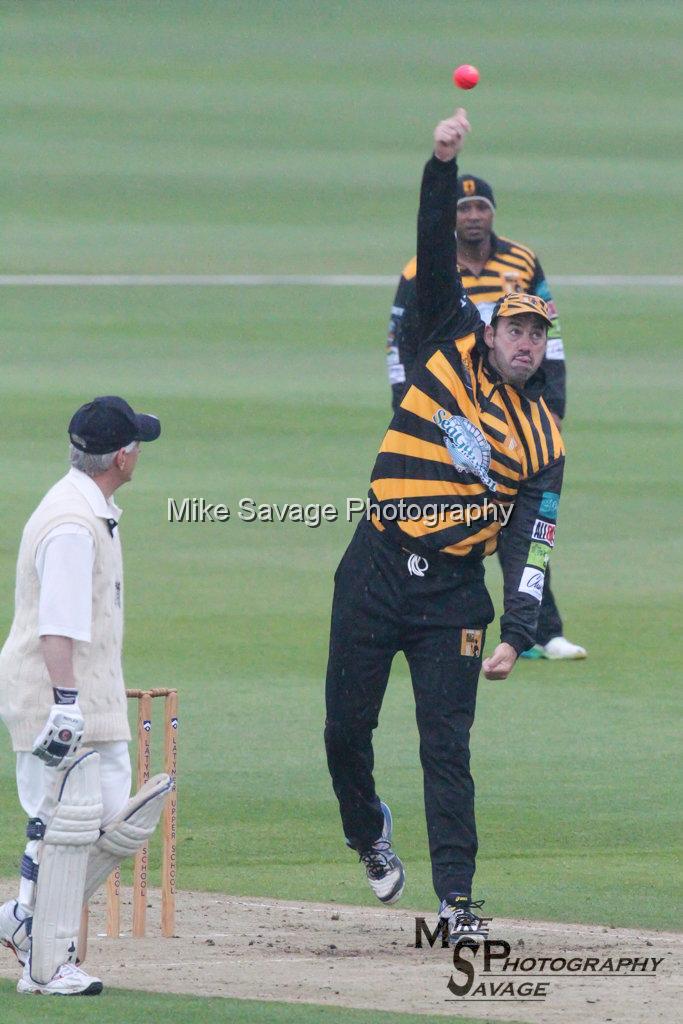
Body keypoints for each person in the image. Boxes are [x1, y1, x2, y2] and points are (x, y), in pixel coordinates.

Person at [324, 109, 566, 944]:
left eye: (538, 333)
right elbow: (433, 247)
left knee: (445, 750)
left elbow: (530, 539)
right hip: (376, 563)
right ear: (491, 329)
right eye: (515, 329)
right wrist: (439, 163)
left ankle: (456, 902)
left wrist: (519, 627)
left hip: (454, 598)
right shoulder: (443, 335)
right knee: (344, 729)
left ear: (544, 344)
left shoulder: (542, 440)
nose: (525, 342)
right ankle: (366, 831)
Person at [0, 396, 171, 995]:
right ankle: (46, 964)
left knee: (94, 827)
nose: (140, 453)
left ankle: (25, 914)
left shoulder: (88, 507)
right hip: (60, 701)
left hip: (84, 697)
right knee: (71, 827)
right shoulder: (72, 524)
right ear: (122, 456)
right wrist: (66, 705)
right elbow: (57, 626)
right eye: (137, 445)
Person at [385, 169, 585, 661]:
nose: (473, 216)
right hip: (448, 411)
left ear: (492, 214)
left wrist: (550, 407)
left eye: (482, 208)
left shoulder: (522, 260)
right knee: (433, 519)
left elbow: (550, 338)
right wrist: (411, 406)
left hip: (513, 413)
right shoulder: (424, 270)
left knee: (526, 518)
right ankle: (404, 630)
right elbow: (400, 343)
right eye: (463, 208)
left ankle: (537, 630)